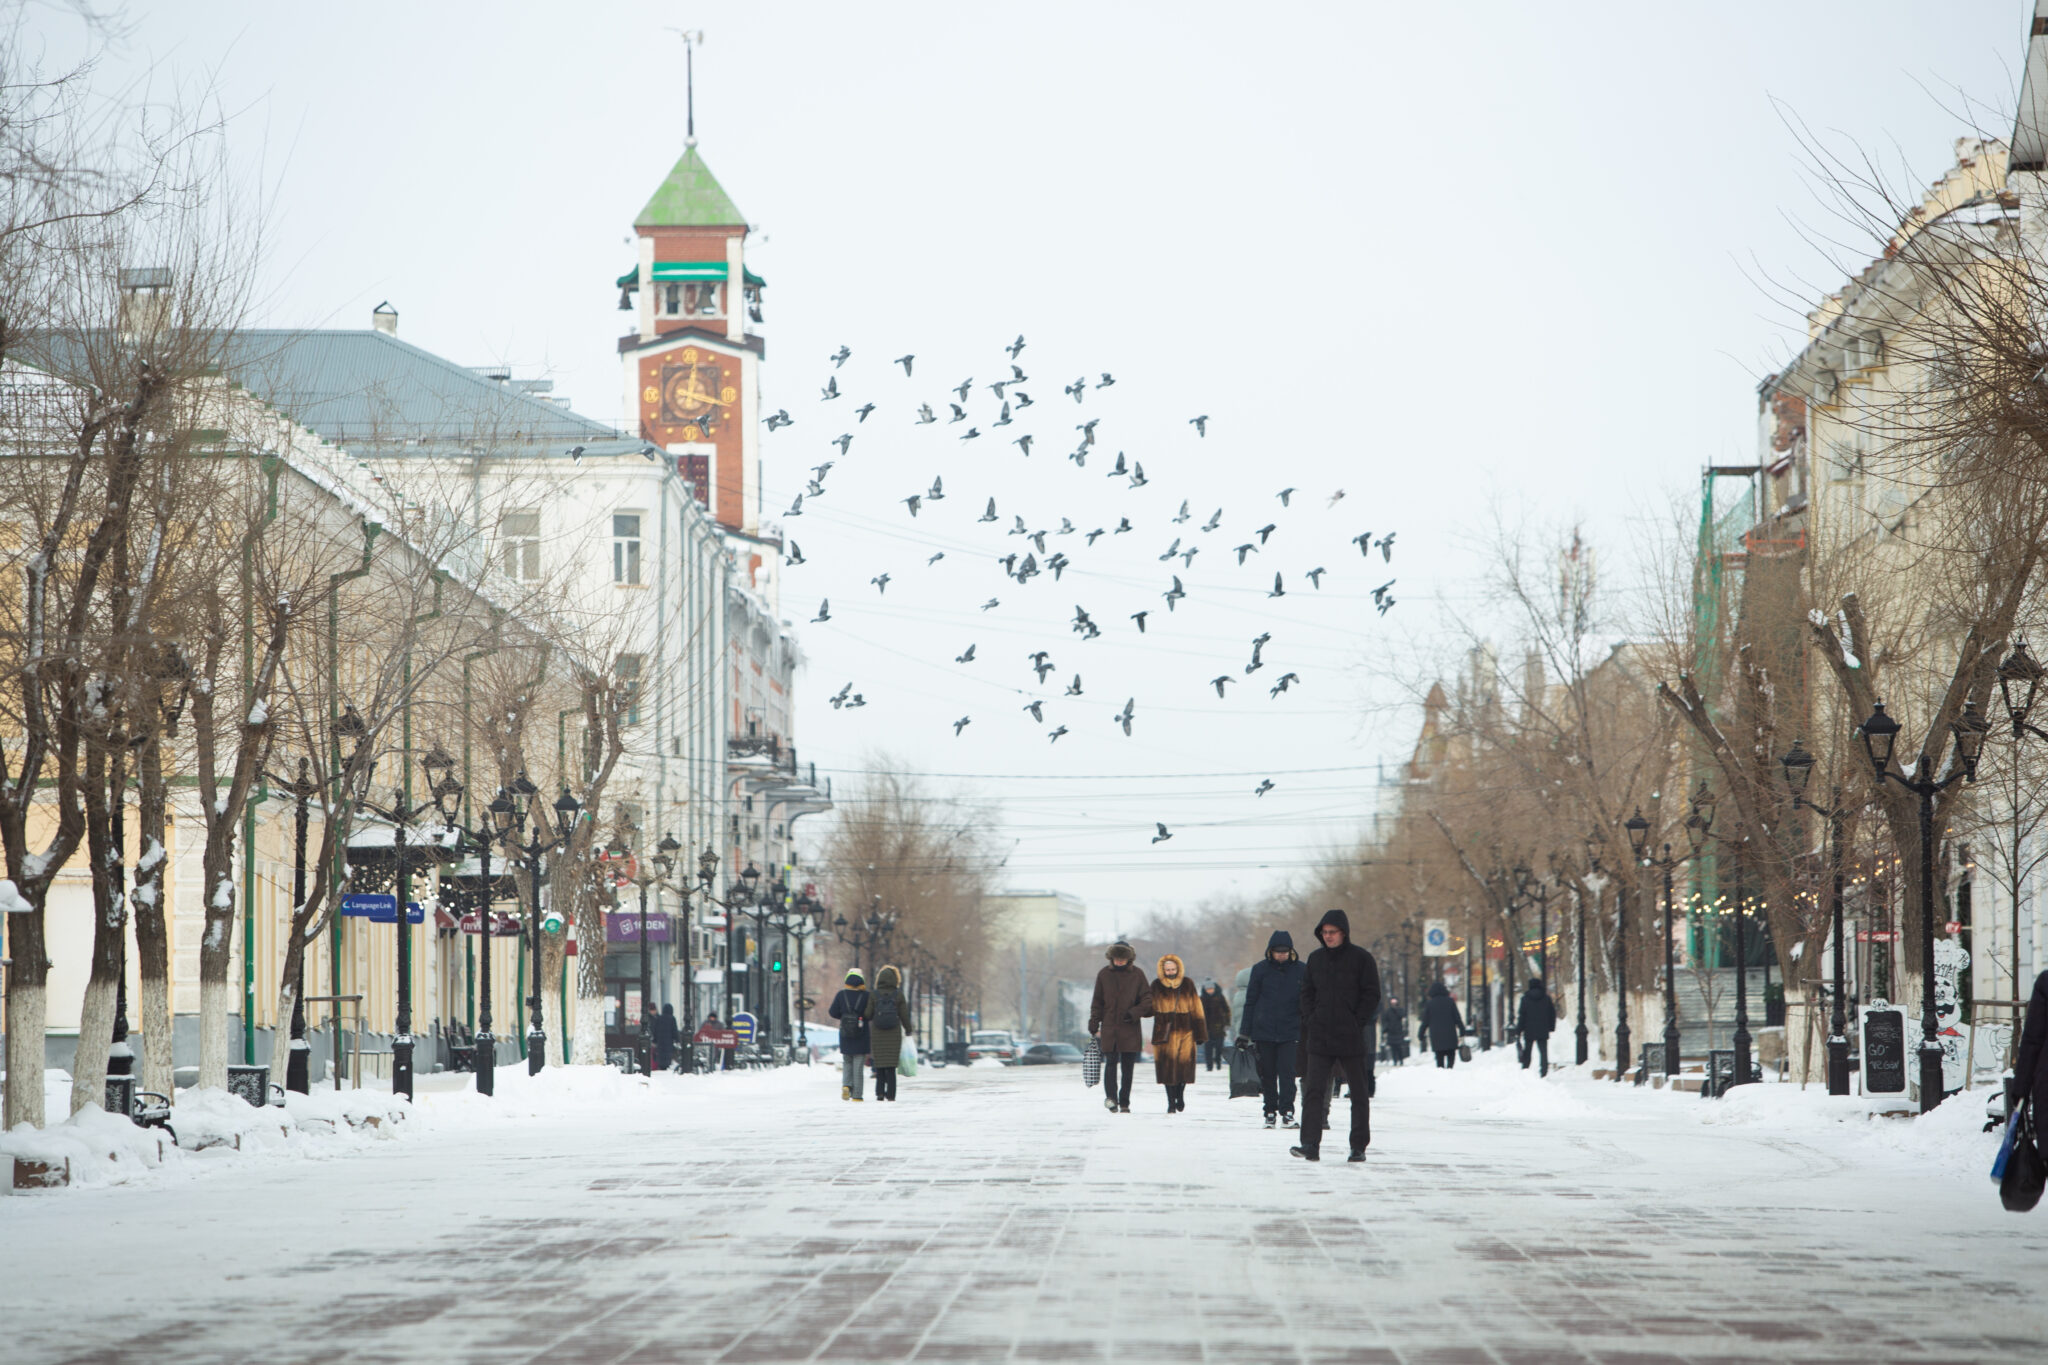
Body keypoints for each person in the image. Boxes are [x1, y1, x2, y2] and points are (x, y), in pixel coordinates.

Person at [1291, 909, 1380, 1164]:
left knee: (1359, 1093)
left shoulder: (1361, 959)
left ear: (1343, 932)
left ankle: (1358, 1146)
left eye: (1332, 932)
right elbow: (1306, 992)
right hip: (1320, 1037)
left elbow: (1372, 993)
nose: (1328, 936)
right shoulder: (1316, 959)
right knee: (1313, 1092)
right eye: (1324, 932)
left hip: (1350, 1036)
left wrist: (1357, 1021)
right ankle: (1309, 1144)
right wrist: (1311, 1018)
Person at [1239, 930, 1306, 1129]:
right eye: (1278, 951)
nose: (1281, 955)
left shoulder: (1301, 970)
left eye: (1285, 951)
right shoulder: (1260, 970)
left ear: (1291, 951)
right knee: (1268, 1074)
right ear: (1270, 951)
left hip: (1290, 1029)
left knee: (1287, 1074)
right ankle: (1269, 1111)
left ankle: (1287, 1111)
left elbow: (1307, 1000)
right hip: (1264, 1030)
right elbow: (1250, 1002)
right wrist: (1244, 1032)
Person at [1089, 941, 1151, 1113]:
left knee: (1127, 1067)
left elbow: (1147, 1000)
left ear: (1128, 959)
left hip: (1130, 1027)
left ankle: (1125, 1102)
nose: (1119, 961)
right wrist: (1094, 1021)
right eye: (1117, 958)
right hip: (1109, 1027)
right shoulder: (1103, 974)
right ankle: (1111, 1099)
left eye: (1123, 958)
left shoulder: (1137, 975)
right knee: (1110, 1064)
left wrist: (1133, 1013)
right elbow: (1097, 1001)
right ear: (1112, 958)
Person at [1145, 954, 1208, 1112]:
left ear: (1178, 969)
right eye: (1167, 970)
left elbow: (1196, 1008)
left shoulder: (1187, 984)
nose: (1170, 972)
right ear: (1162, 970)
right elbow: (1148, 1007)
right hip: (1163, 1030)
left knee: (1184, 1066)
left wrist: (1200, 1033)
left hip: (1185, 1029)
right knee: (1166, 1068)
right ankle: (1170, 1103)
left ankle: (1180, 1095)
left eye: (1173, 969)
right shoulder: (1156, 985)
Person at [869, 964, 913, 1101]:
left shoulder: (874, 995)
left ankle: (880, 1092)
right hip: (893, 1033)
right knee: (891, 1066)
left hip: (877, 1033)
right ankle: (891, 1094)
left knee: (880, 1064)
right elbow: (904, 1015)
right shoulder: (898, 995)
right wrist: (908, 1029)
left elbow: (867, 1014)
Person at [828, 969, 872, 1101]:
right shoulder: (866, 996)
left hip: (846, 1033)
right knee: (858, 1065)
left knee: (847, 1061)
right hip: (861, 1033)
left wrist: (844, 1016)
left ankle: (846, 1085)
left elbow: (832, 1012)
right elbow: (870, 1014)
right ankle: (857, 1095)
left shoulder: (841, 995)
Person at [1518, 977, 1558, 1075]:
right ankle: (1543, 1070)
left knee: (1528, 1050)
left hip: (1529, 1029)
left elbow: (1522, 1015)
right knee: (1543, 1052)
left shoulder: (1525, 999)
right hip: (1542, 1029)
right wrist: (1551, 1027)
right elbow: (1552, 1014)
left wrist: (1519, 1030)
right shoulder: (1546, 999)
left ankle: (1525, 1068)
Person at [1419, 981, 1463, 1068]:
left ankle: (1441, 1071)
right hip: (1450, 1033)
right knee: (1451, 1054)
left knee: (1439, 1057)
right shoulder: (1450, 1002)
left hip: (1436, 1035)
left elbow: (1425, 1022)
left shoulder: (1430, 1004)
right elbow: (1457, 1018)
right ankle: (1450, 1069)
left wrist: (1421, 1033)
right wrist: (1462, 1029)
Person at [1200, 981, 1232, 1071]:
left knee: (1219, 1047)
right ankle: (1209, 1066)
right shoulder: (1201, 999)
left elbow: (1226, 1011)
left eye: (1211, 989)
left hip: (1219, 1026)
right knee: (1208, 1048)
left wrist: (1227, 1023)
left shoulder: (1220, 998)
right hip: (1206, 1028)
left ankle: (1218, 1062)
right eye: (1208, 989)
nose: (1210, 991)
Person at [1380, 996, 1408, 1067]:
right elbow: (1385, 1021)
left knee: (1399, 1048)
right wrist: (1385, 1029)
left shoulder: (1400, 1010)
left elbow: (1402, 1015)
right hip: (1391, 1032)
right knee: (1393, 1048)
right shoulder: (1388, 1011)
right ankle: (1395, 1060)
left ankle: (1401, 1060)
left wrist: (1396, 1010)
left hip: (1398, 1032)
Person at [651, 1002, 678, 1072]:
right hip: (669, 1042)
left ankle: (661, 1066)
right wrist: (677, 1039)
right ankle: (666, 1066)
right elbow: (674, 1031)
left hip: (660, 1042)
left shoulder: (659, 1018)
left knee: (661, 1055)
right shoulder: (672, 1019)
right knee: (667, 1055)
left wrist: (655, 1040)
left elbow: (655, 1030)